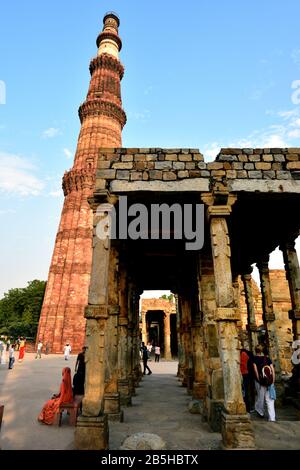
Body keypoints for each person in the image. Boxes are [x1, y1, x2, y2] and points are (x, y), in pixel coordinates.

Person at [253, 344, 276, 422]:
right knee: (270, 399)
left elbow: (255, 371)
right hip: (269, 381)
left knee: (261, 397)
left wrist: (259, 380)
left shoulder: (254, 359)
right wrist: (273, 380)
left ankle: (260, 411)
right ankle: (272, 418)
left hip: (262, 381)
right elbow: (272, 370)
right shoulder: (267, 359)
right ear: (262, 350)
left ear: (255, 350)